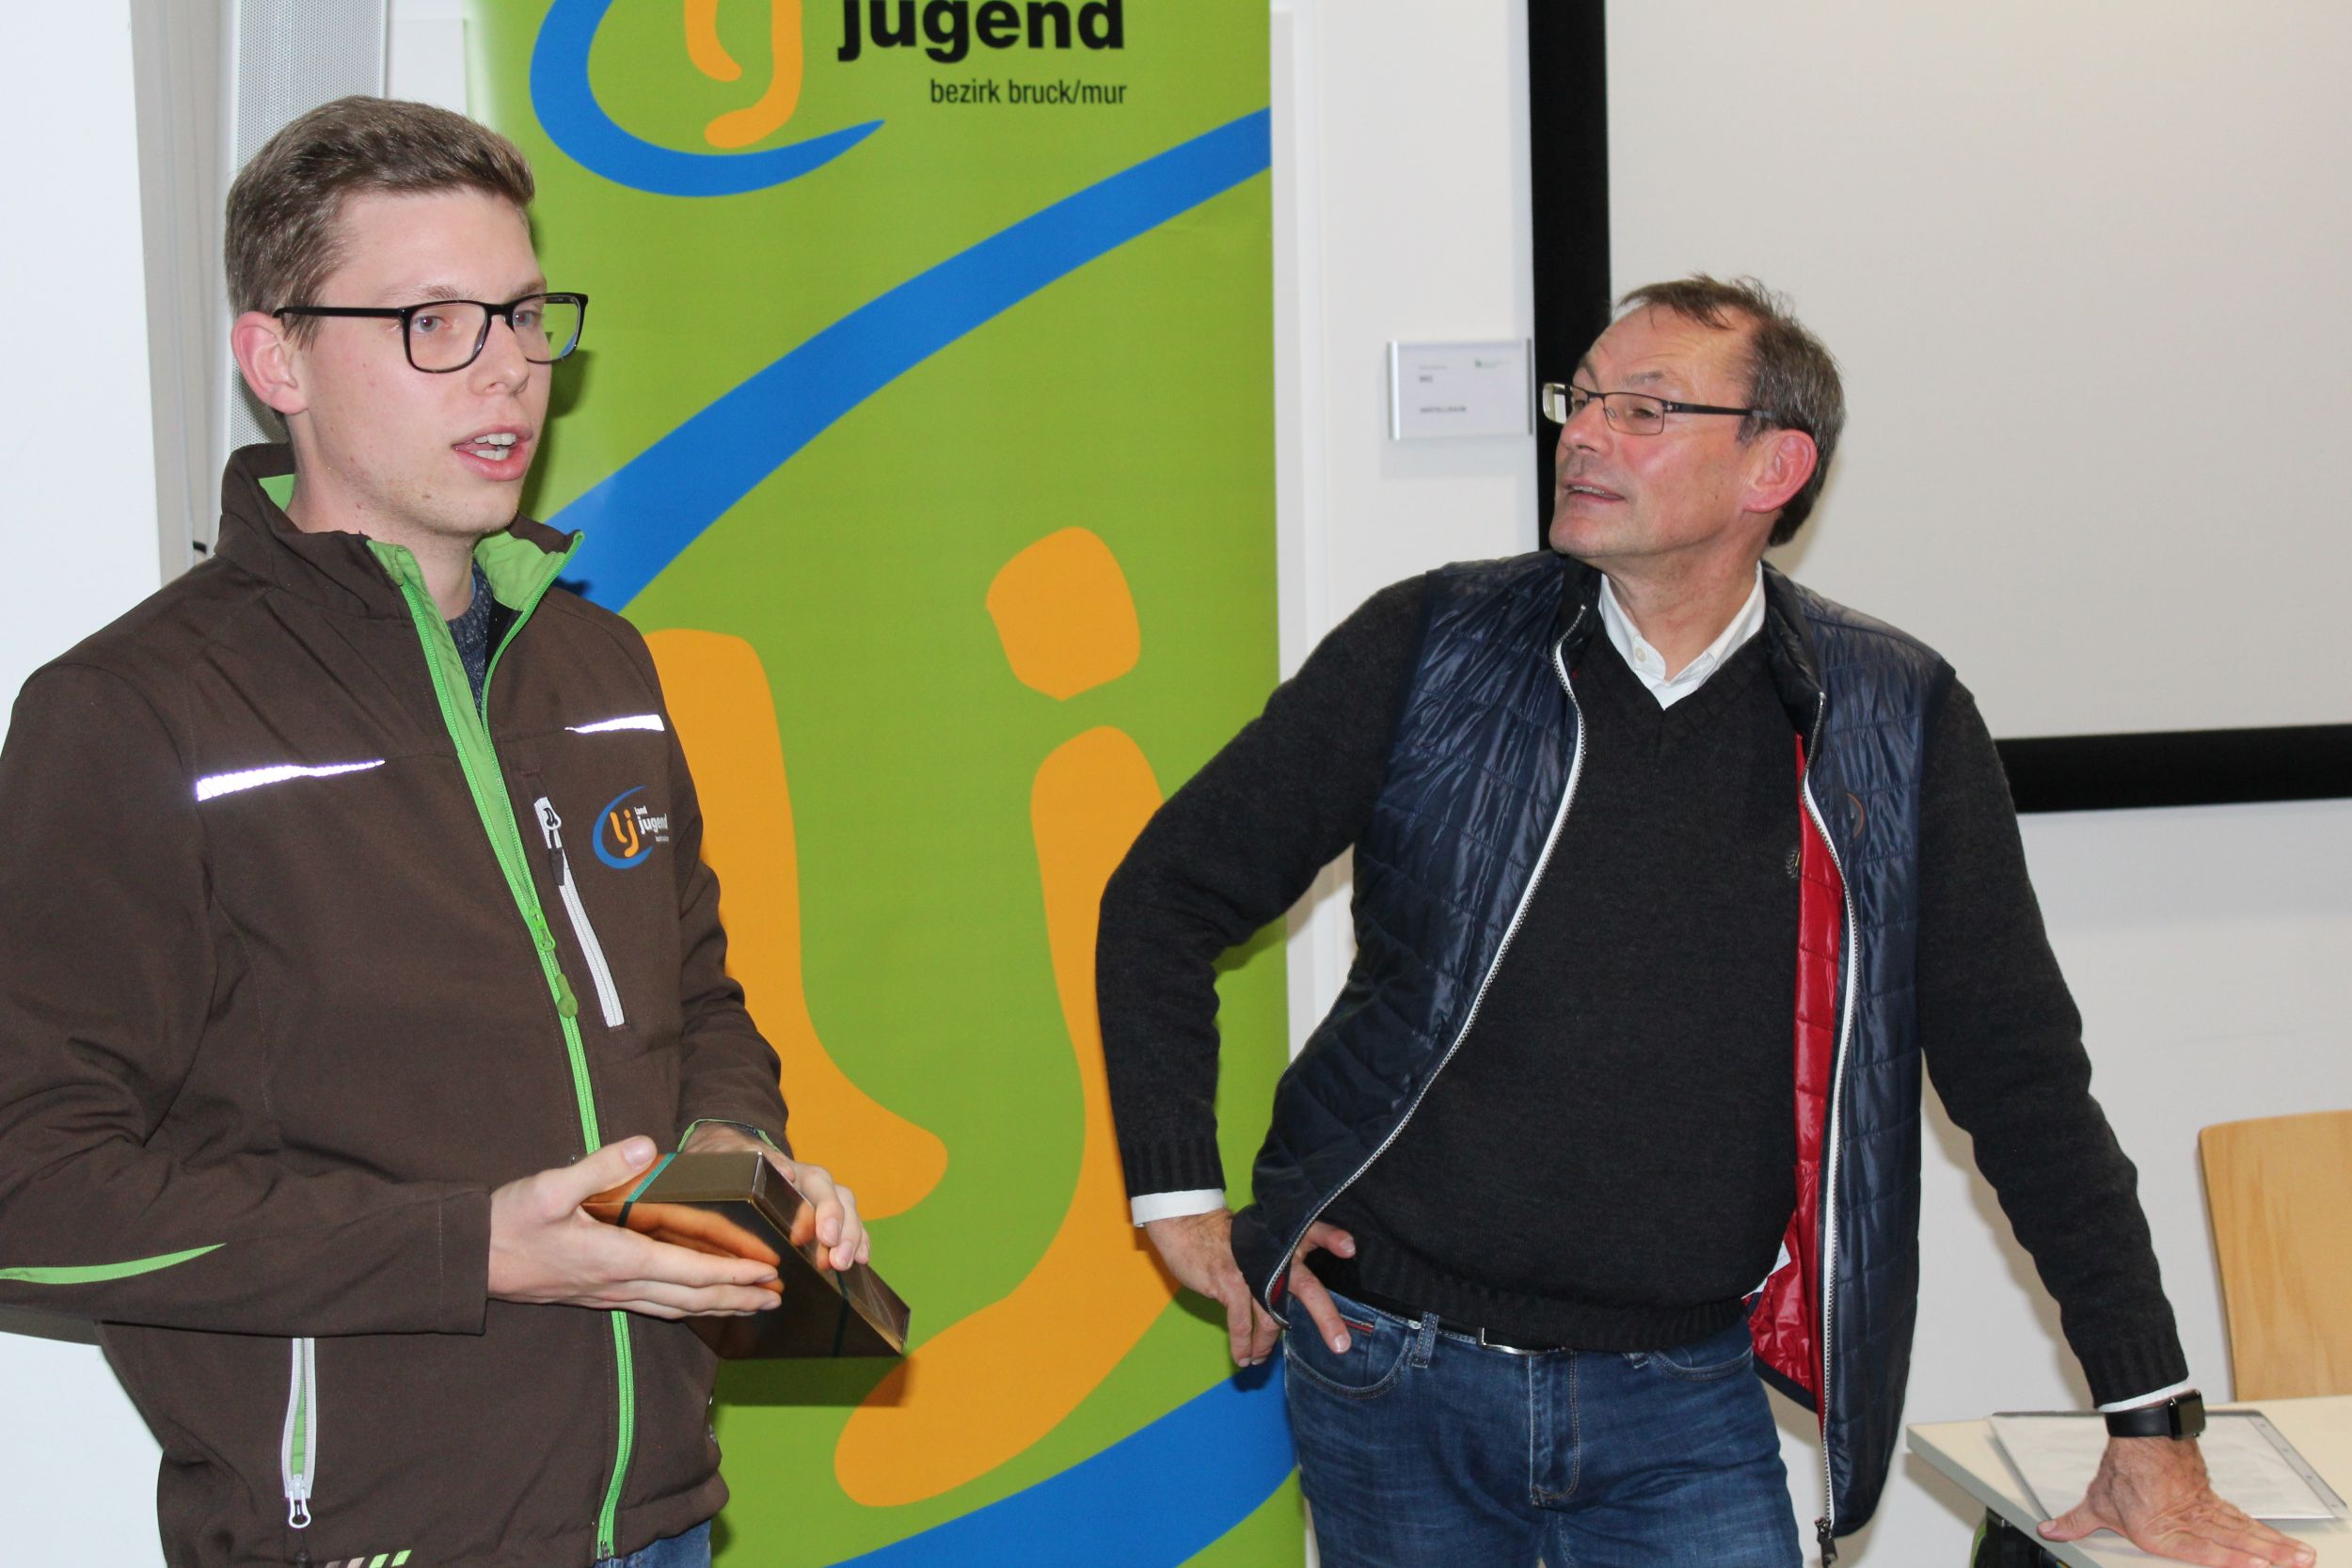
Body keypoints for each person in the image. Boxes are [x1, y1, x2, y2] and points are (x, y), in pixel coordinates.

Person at [1099, 276, 2312, 1568]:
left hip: (1680, 1398)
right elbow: (1167, 892)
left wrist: (2148, 1416)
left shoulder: (1890, 721)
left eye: (1646, 408)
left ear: (1773, 467)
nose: (1584, 432)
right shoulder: (1436, 648)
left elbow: (2022, 1082)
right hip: (1391, 1373)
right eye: (1582, 398)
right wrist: (1180, 1199)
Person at [0, 97, 867, 1568]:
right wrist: (473, 1251)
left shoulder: (601, 669)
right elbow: (30, 1182)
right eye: (434, 323)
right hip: (369, 1536)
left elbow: (696, 1000)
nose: (511, 369)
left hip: (662, 1516)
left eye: (525, 316)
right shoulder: (135, 712)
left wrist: (734, 1156)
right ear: (277, 358)